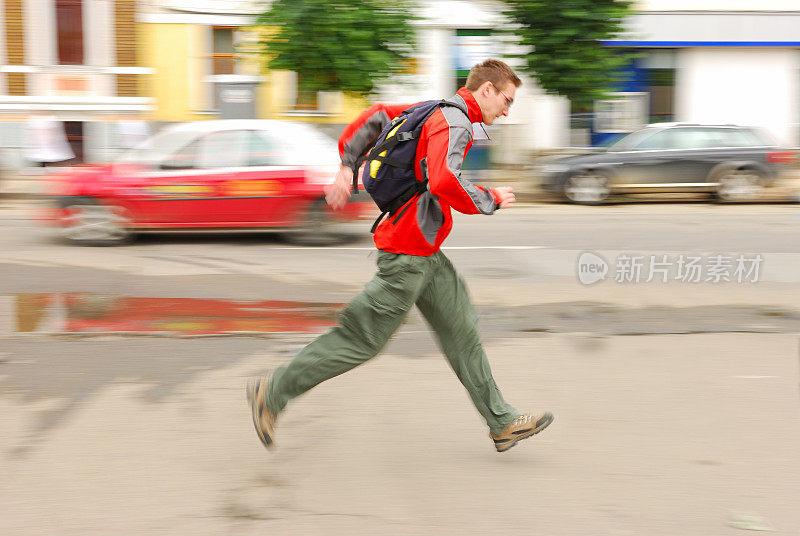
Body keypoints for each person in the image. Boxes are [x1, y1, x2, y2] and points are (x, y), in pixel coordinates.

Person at [248, 59, 553, 453]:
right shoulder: (456, 121)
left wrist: (346, 165)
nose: (507, 111)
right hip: (407, 257)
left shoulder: (431, 108)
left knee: (462, 333)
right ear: (487, 90)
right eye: (507, 101)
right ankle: (272, 394)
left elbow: (376, 117)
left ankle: (501, 422)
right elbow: (444, 179)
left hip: (426, 254)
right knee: (360, 339)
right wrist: (489, 198)